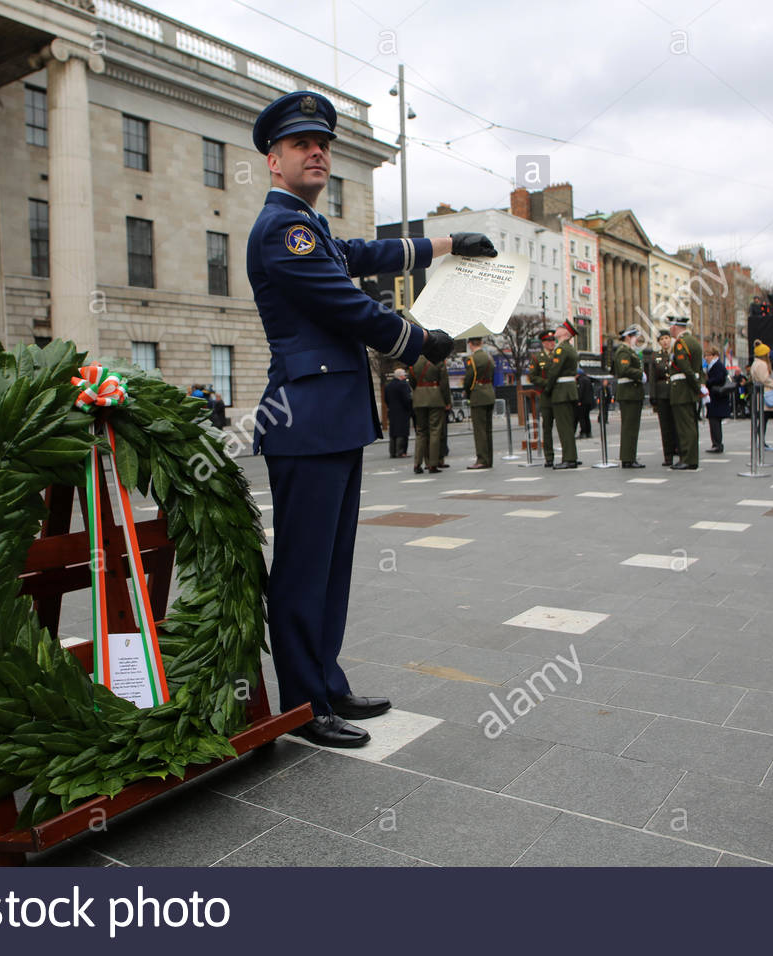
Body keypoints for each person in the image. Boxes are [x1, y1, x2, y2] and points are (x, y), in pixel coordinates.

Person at [246, 90, 495, 747]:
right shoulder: (283, 229)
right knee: (304, 569)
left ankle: (326, 683)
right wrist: (423, 343)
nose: (317, 152)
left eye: (321, 143)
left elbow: (362, 254)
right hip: (305, 420)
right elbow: (346, 307)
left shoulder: (313, 227)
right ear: (274, 161)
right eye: (301, 144)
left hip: (332, 417)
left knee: (331, 565)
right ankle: (303, 703)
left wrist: (446, 243)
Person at [544, 320, 580, 468]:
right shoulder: (569, 348)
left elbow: (554, 371)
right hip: (569, 390)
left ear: (565, 333)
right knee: (568, 426)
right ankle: (571, 456)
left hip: (562, 391)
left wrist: (547, 388)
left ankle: (569, 458)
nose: (556, 330)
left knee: (564, 427)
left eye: (560, 328)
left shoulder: (561, 349)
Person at [668, 316, 703, 470]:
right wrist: (699, 387)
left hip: (682, 390)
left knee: (685, 427)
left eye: (671, 326)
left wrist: (697, 387)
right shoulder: (694, 342)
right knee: (690, 425)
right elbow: (698, 370)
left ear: (675, 327)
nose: (670, 330)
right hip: (688, 389)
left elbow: (685, 368)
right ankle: (690, 458)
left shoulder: (681, 343)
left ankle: (688, 459)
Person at [611, 325, 646, 468]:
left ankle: (630, 456)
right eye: (634, 337)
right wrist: (640, 374)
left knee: (632, 427)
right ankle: (627, 458)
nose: (636, 340)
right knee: (629, 427)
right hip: (629, 392)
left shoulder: (629, 351)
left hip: (632, 392)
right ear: (627, 337)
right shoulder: (623, 351)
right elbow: (624, 369)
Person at [462, 337, 495, 469]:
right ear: (481, 343)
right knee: (488, 430)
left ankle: (482, 459)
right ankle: (489, 459)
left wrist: (468, 392)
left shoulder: (473, 359)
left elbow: (470, 378)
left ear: (470, 344)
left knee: (480, 430)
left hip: (478, 394)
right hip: (489, 393)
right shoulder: (489, 357)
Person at [410, 354, 445, 473]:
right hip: (435, 397)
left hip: (419, 398)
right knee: (435, 431)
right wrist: (447, 401)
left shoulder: (414, 359)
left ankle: (417, 464)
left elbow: (412, 380)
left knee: (420, 432)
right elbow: (444, 382)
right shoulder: (438, 359)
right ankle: (433, 464)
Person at [649, 327, 679, 466]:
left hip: (675, 392)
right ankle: (668, 456)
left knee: (677, 424)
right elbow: (653, 378)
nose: (665, 341)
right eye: (662, 339)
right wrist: (653, 396)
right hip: (662, 394)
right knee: (665, 426)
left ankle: (679, 450)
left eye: (667, 338)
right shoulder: (656, 356)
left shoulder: (676, 353)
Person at [529, 330, 557, 467]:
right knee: (547, 428)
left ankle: (568, 456)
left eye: (553, 340)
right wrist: (547, 384)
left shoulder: (558, 355)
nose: (552, 343)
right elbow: (533, 377)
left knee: (565, 426)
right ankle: (549, 457)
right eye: (549, 341)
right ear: (543, 343)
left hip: (559, 394)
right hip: (546, 395)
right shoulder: (537, 358)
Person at [704, 346, 730, 453]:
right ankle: (716, 443)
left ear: (714, 355)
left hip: (717, 398)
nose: (706, 358)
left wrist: (707, 382)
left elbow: (718, 378)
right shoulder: (713, 365)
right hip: (715, 398)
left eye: (708, 355)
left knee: (715, 421)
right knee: (714, 421)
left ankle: (717, 444)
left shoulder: (717, 365)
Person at [750, 342, 773, 449]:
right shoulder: (762, 364)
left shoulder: (755, 363)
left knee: (762, 420)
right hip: (765, 393)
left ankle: (760, 441)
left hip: (760, 393)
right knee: (763, 420)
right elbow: (764, 379)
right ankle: (761, 442)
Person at [383, 367, 412, 457]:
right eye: (404, 375)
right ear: (401, 376)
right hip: (403, 411)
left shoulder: (388, 386)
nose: (405, 377)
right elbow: (407, 399)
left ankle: (392, 452)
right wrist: (410, 408)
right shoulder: (403, 385)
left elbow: (386, 399)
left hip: (392, 411)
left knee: (393, 432)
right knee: (402, 432)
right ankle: (401, 451)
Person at [576, 369, 595, 439]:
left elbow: (581, 390)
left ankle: (583, 432)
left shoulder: (581, 380)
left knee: (582, 417)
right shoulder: (588, 379)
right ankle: (588, 432)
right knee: (587, 417)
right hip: (589, 401)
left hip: (583, 402)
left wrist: (579, 400)